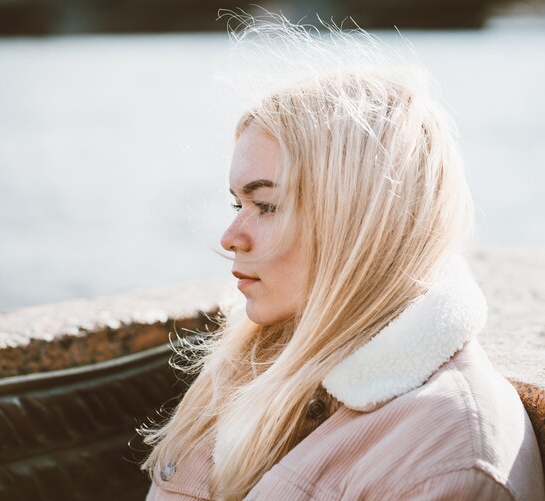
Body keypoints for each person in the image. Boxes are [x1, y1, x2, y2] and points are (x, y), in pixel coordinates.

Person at [140, 16, 545, 501]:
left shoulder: (447, 459)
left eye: (266, 205)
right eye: (237, 203)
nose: (231, 237)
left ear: (355, 221)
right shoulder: (253, 361)